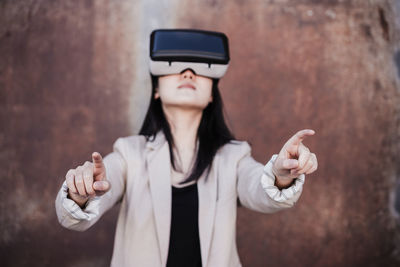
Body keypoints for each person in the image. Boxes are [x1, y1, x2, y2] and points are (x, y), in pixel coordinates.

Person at [55, 29, 318, 267]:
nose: (189, 72)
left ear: (212, 94)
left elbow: (258, 190)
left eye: (199, 70)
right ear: (156, 89)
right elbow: (80, 212)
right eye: (177, 67)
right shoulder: (128, 153)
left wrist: (282, 176)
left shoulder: (233, 156)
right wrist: (81, 191)